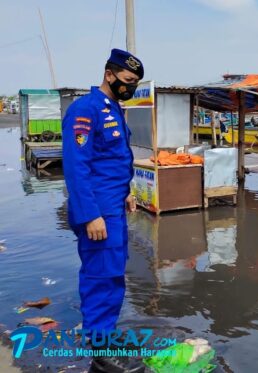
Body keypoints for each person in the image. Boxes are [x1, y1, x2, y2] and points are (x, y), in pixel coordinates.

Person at [62, 49, 145, 373]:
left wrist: (126, 194)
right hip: (96, 210)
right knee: (100, 277)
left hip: (112, 206)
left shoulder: (113, 109)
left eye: (135, 83)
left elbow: (111, 163)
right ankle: (100, 349)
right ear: (109, 74)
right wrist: (89, 214)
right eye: (127, 81)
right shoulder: (86, 109)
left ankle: (106, 336)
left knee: (113, 275)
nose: (131, 87)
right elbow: (76, 166)